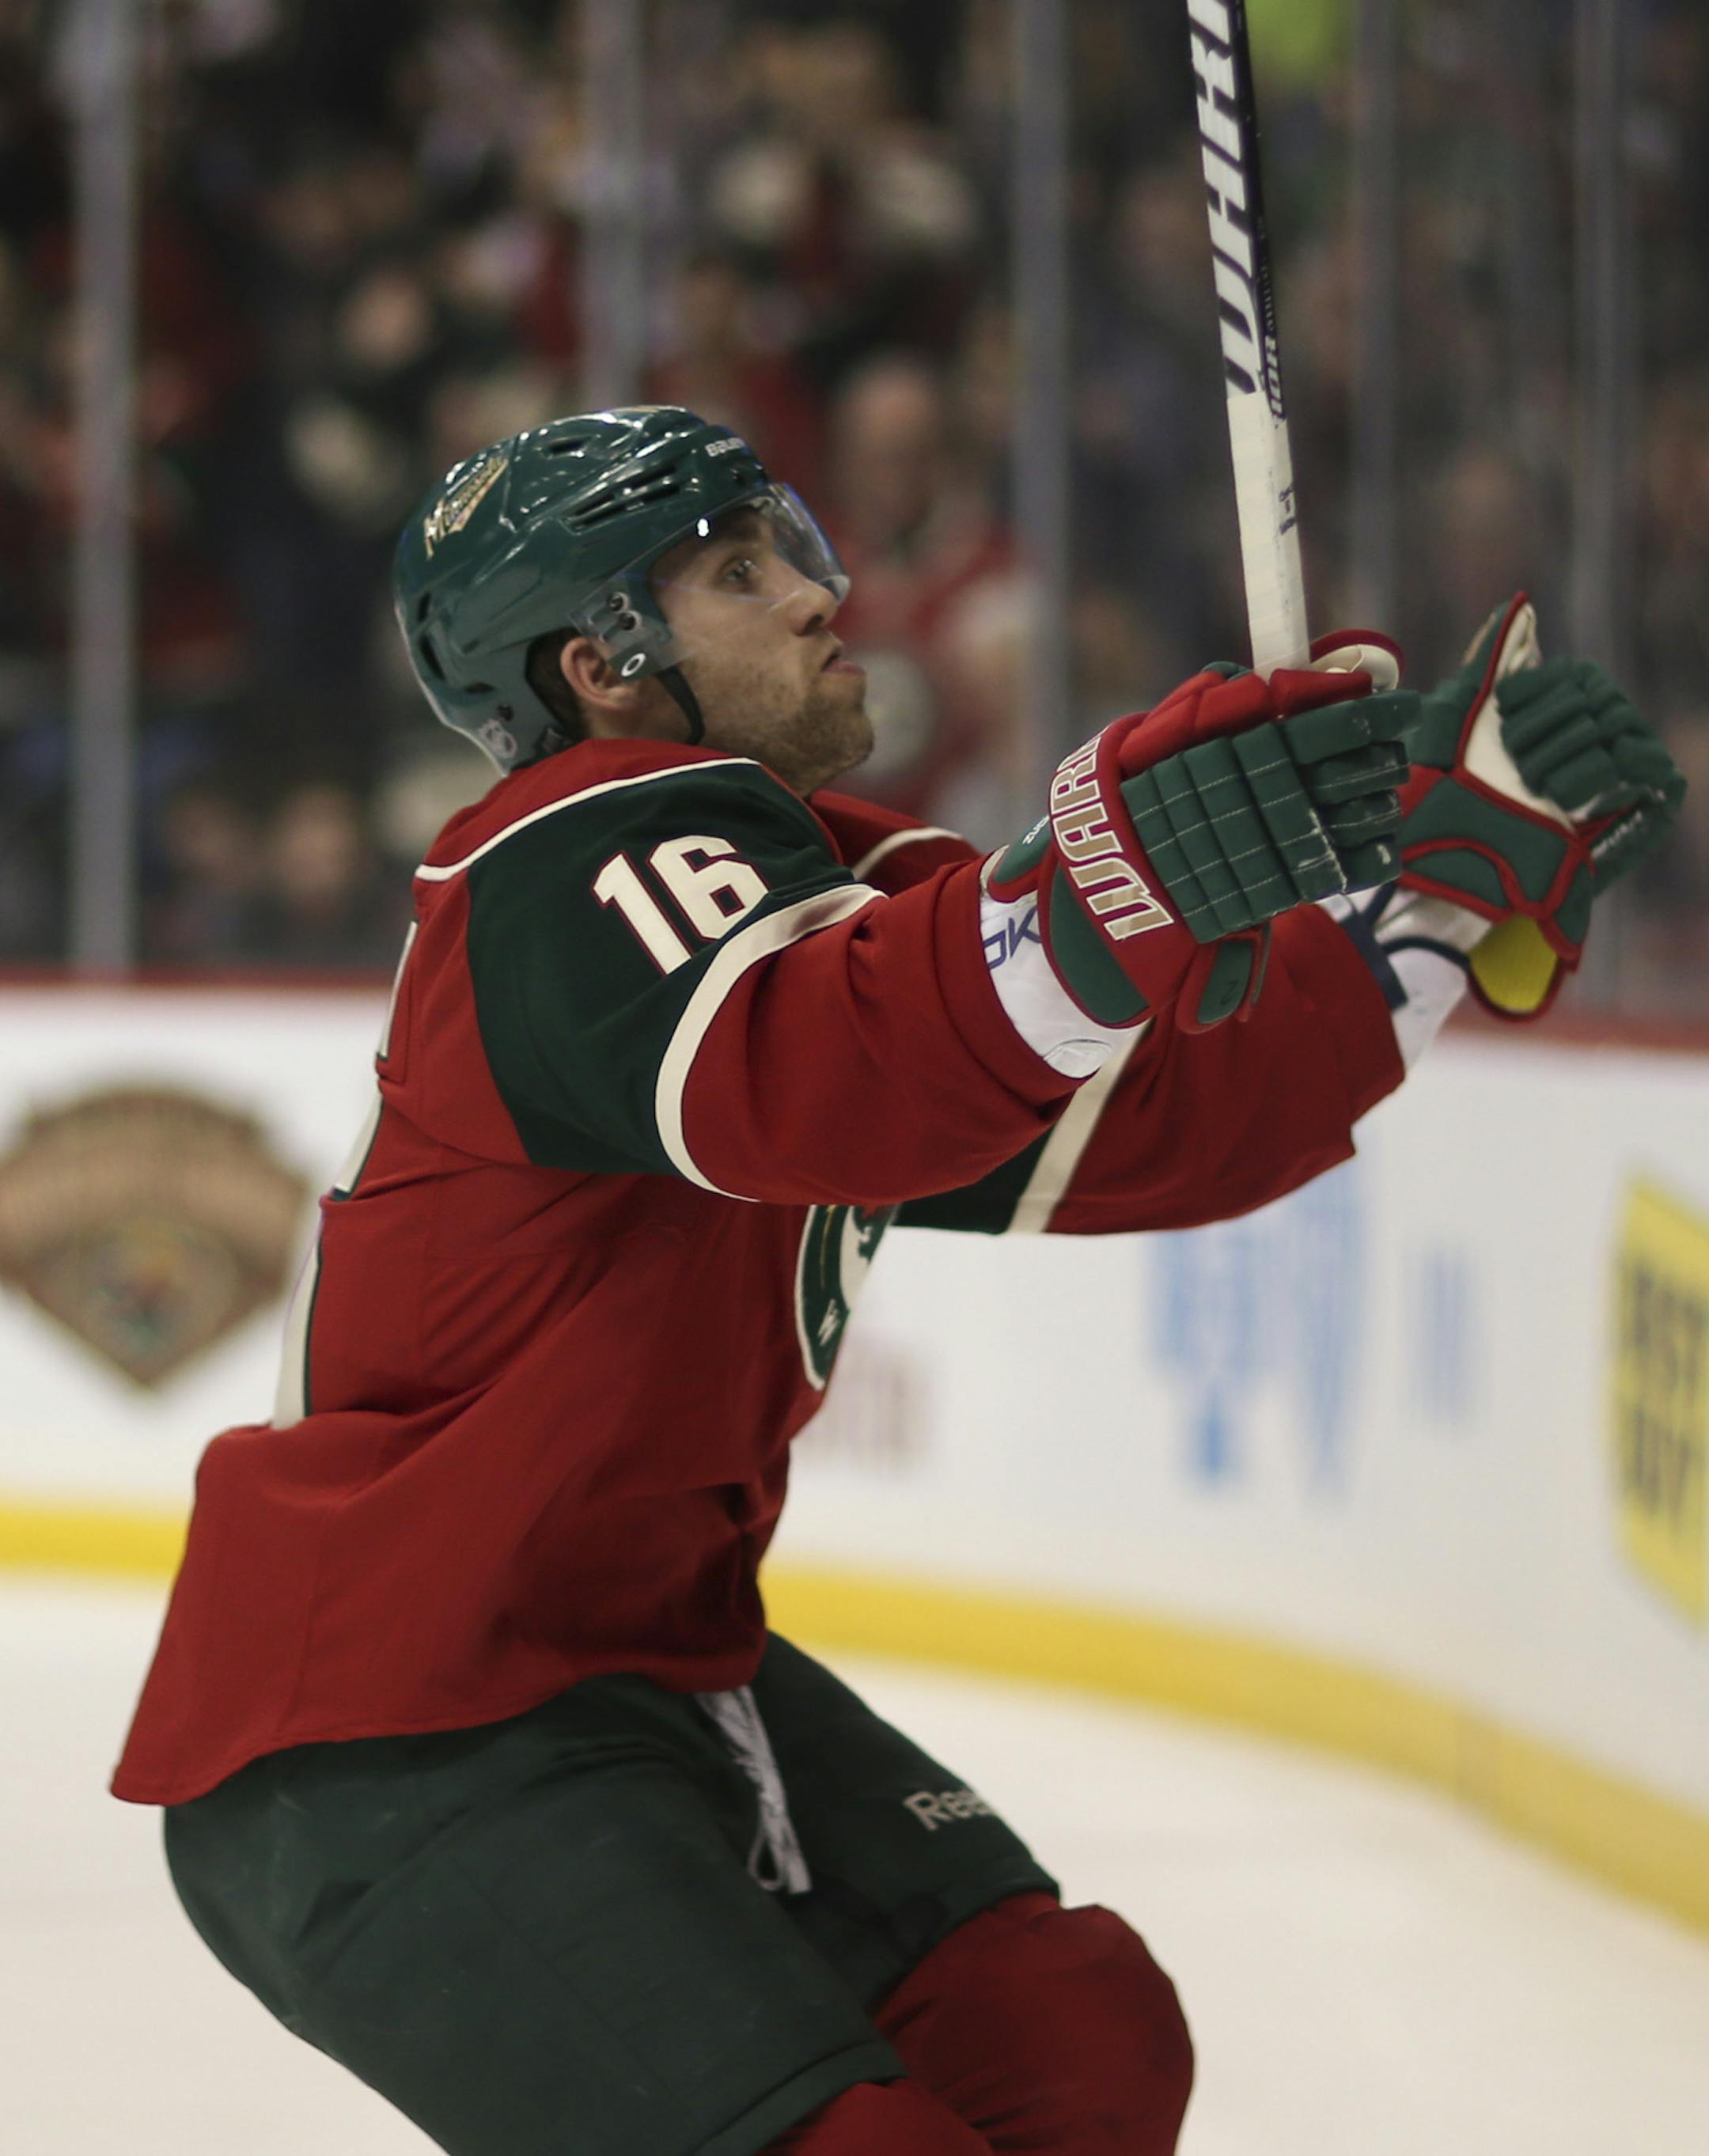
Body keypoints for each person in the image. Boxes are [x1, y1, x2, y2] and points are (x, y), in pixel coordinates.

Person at [112, 407, 1682, 2155]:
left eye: (786, 546)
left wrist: (1438, 905)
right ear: (601, 668)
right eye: (733, 574)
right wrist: (1128, 868)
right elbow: (850, 1057)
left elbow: (1165, 1113)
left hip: (631, 1674)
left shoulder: (825, 887)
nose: (812, 597)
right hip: (393, 1732)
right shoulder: (564, 855)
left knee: (1068, 2033)